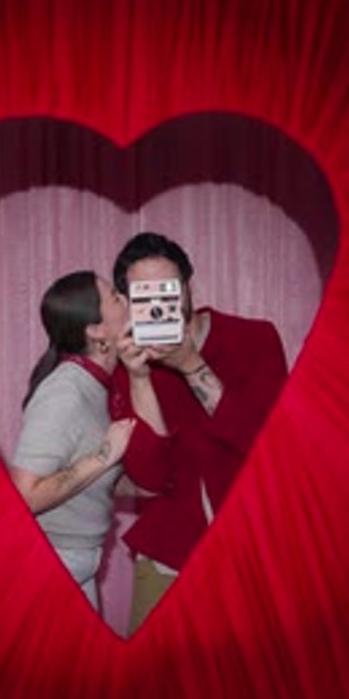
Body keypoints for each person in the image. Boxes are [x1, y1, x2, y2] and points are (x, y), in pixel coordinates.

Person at [110, 232, 289, 631]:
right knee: (154, 685)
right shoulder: (128, 363)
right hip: (169, 553)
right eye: (145, 296)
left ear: (189, 286)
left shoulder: (253, 339)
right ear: (126, 303)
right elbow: (149, 476)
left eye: (168, 291)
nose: (159, 306)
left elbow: (271, 445)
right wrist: (138, 378)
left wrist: (191, 364)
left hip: (255, 552)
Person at [11, 270, 168, 611]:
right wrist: (104, 455)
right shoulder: (65, 390)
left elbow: (97, 478)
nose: (127, 300)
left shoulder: (100, 386)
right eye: (115, 297)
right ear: (96, 330)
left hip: (80, 560)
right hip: (51, 562)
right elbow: (23, 496)